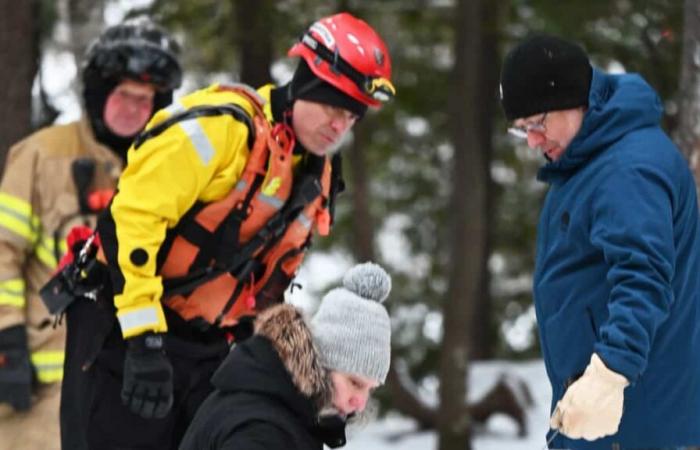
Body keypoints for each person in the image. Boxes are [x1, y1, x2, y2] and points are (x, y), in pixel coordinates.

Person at [63, 12, 395, 450]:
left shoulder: (318, 177)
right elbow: (132, 221)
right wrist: (144, 341)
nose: (339, 126)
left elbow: (269, 296)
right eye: (334, 108)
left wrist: (310, 404)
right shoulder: (221, 130)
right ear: (306, 85)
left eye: (351, 117)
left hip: (207, 354)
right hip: (123, 332)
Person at [499, 34, 700, 449]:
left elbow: (643, 279)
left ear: (573, 99)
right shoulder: (589, 157)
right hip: (606, 421)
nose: (534, 140)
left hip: (635, 422)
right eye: (522, 131)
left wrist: (610, 374)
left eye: (537, 123)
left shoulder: (627, 169)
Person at [0, 17, 181, 450]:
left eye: (146, 99)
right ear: (99, 94)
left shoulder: (173, 169)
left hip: (132, 385)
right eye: (123, 95)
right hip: (42, 384)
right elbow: (2, 250)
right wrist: (6, 342)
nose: (133, 109)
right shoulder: (41, 155)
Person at [180, 261, 392, 450]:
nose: (360, 403)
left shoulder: (287, 409)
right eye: (355, 382)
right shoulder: (261, 429)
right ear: (320, 364)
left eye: (370, 389)